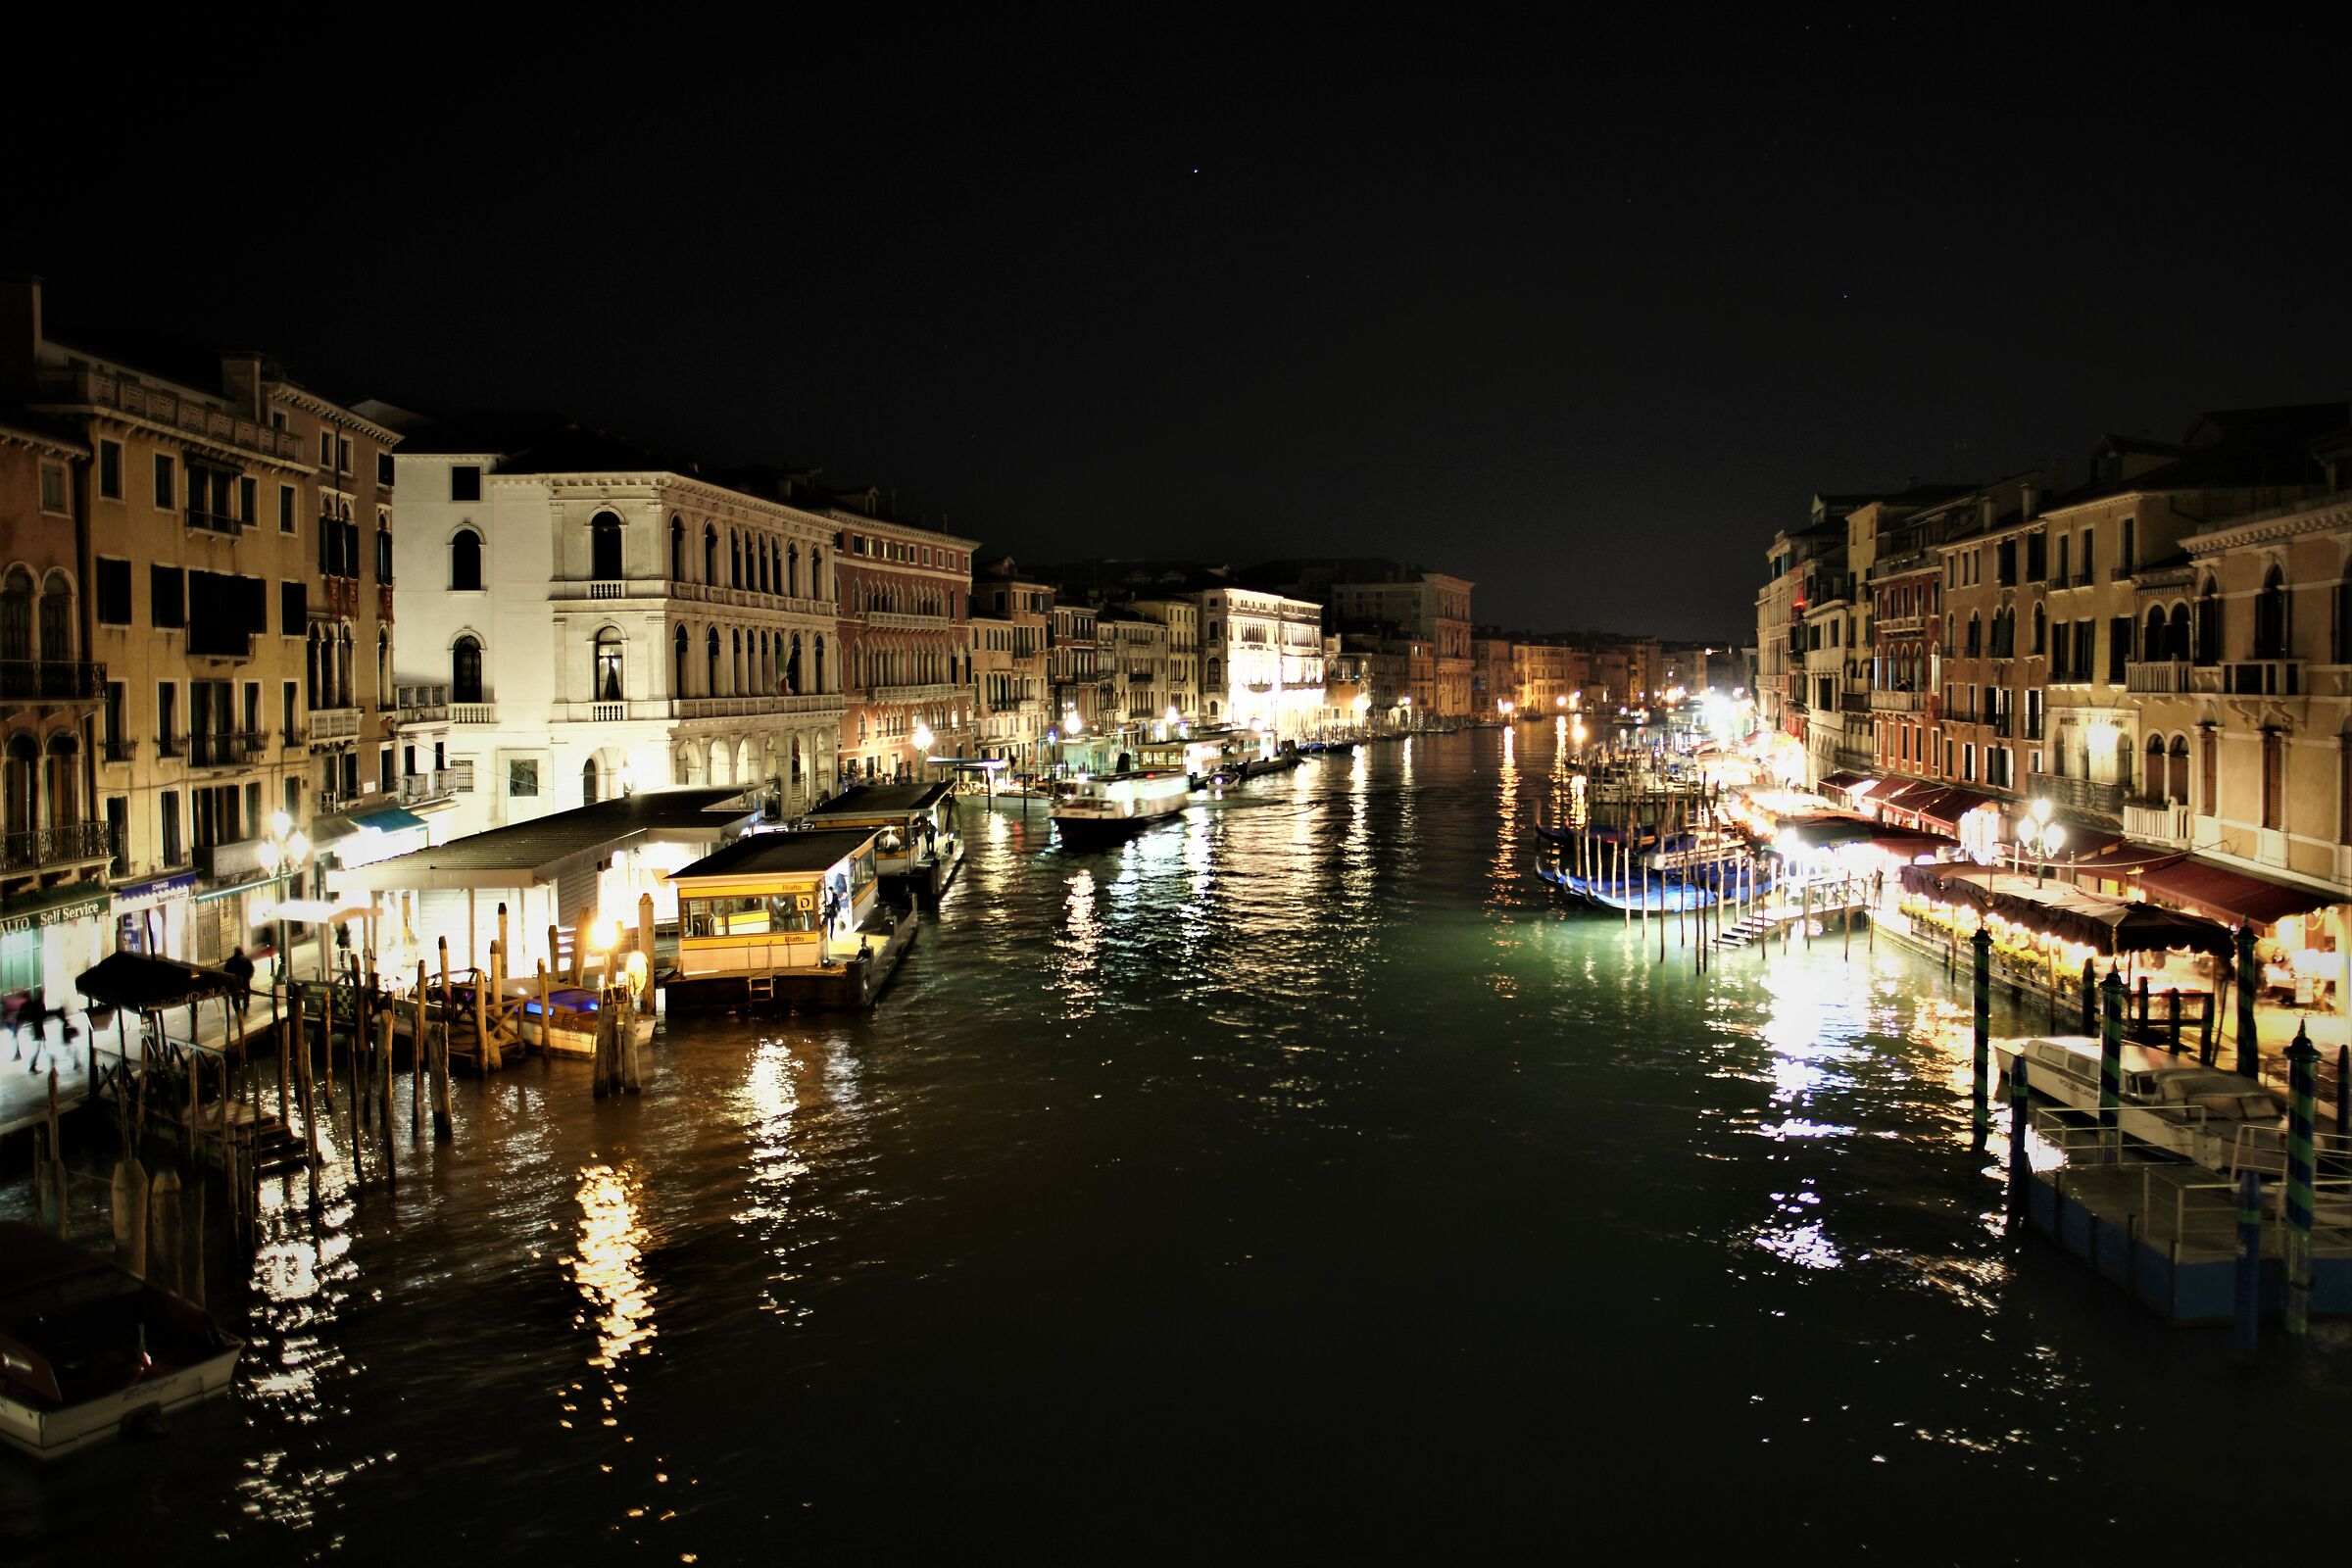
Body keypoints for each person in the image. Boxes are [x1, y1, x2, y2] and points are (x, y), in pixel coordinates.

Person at [221, 946, 255, 1020]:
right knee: (246, 996)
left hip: (233, 983)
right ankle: (245, 1010)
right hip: (244, 981)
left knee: (235, 998)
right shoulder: (246, 960)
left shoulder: (230, 961)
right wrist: (248, 978)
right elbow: (251, 970)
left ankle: (238, 1011)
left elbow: (225, 972)